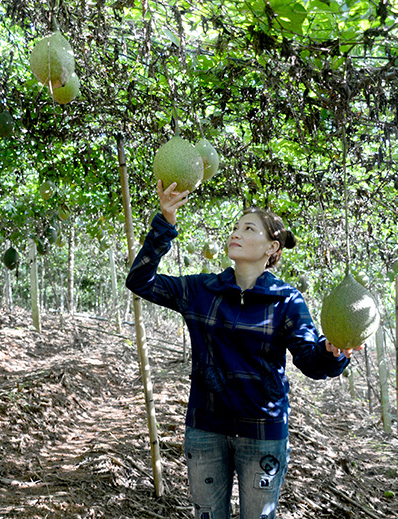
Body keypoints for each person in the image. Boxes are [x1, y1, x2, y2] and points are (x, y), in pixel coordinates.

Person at [125, 180, 362, 519]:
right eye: (235, 227)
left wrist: (332, 351)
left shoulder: (286, 300)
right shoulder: (201, 290)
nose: (236, 233)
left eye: (248, 229)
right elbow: (140, 281)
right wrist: (166, 222)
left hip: (262, 432)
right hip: (206, 428)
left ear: (271, 247)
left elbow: (311, 361)